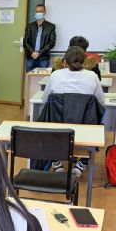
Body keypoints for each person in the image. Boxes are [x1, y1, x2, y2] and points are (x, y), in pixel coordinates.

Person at [42, 46, 105, 177]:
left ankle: (57, 164)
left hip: (58, 129)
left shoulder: (56, 75)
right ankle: (81, 164)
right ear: (84, 62)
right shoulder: (92, 76)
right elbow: (101, 102)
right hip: (84, 128)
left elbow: (45, 100)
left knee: (45, 122)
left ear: (65, 61)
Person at [23, 4, 56, 72]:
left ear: (44, 12)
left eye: (40, 11)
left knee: (42, 79)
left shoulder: (51, 27)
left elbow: (52, 42)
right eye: (36, 11)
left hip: (43, 58)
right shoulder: (30, 26)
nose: (38, 13)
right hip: (30, 57)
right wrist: (32, 52)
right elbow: (25, 41)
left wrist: (39, 53)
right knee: (29, 79)